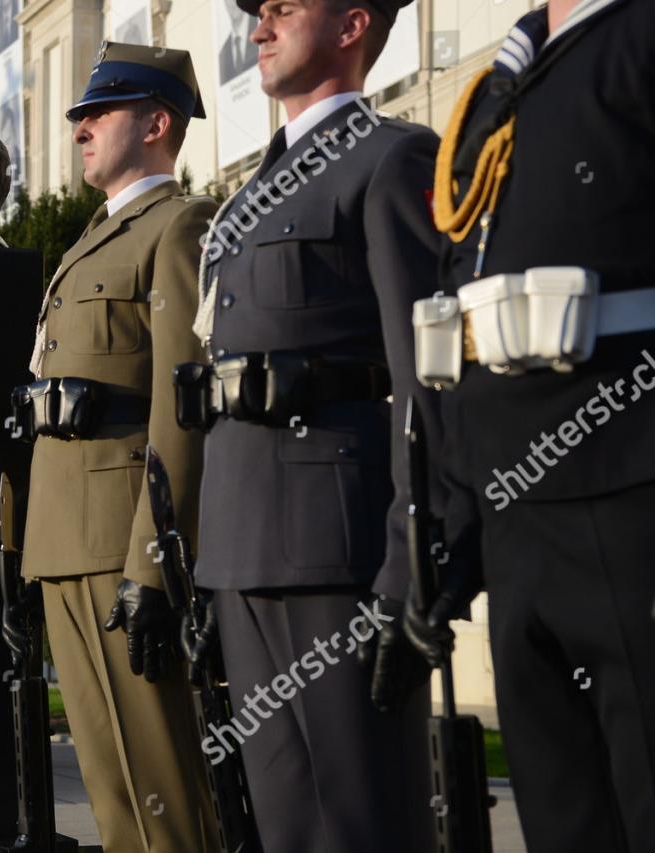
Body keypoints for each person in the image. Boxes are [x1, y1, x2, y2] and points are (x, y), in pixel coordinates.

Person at [405, 1, 655, 850]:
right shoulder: (496, 90)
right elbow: (461, 317)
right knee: (564, 820)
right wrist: (456, 523)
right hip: (515, 515)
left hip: (630, 490)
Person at [191, 0, 439, 849]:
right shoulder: (243, 201)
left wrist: (412, 566)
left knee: (361, 819)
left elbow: (422, 377)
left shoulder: (392, 158)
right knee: (287, 823)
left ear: (351, 25)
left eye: (284, 10)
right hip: (239, 543)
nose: (259, 28)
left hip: (337, 547)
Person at [12, 41, 219, 852]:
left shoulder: (179, 225)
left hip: (123, 541)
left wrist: (153, 562)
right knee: (108, 787)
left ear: (158, 121)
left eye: (98, 112)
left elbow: (184, 402)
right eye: (79, 116)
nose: (80, 129)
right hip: (63, 542)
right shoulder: (82, 249)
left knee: (164, 785)